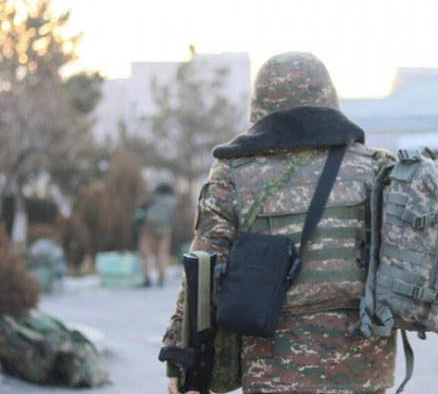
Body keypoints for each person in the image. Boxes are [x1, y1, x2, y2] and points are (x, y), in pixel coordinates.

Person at [163, 52, 397, 393]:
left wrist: (180, 357)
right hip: (365, 367)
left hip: (274, 369)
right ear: (328, 97)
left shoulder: (234, 172)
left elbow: (202, 271)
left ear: (259, 104)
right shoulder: (375, 167)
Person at [137, 183, 177, 287]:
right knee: (162, 253)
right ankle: (161, 276)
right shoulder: (173, 201)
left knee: (144, 252)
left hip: (149, 228)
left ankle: (146, 277)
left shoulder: (152, 197)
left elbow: (141, 208)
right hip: (165, 229)